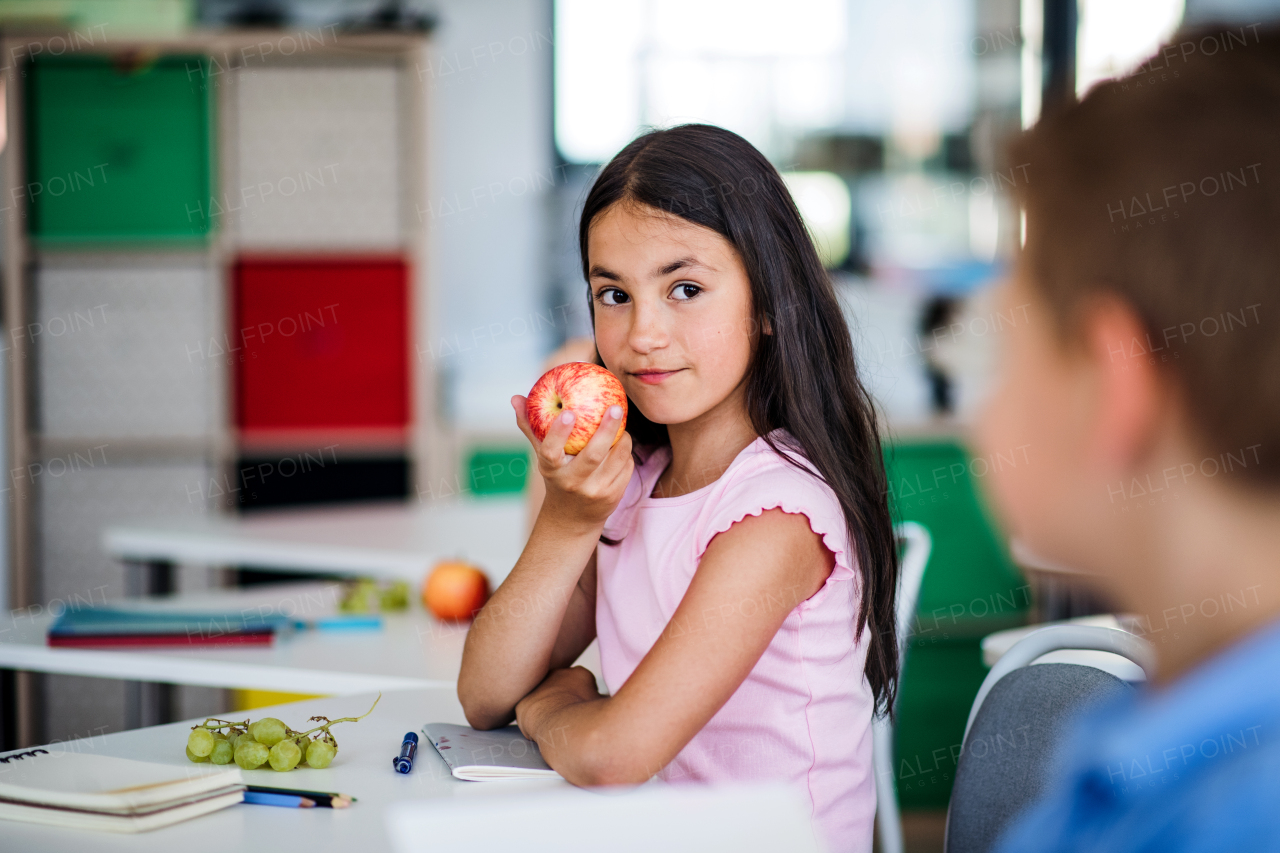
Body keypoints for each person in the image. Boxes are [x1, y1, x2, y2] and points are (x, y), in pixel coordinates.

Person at [458, 124, 898, 853]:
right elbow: (484, 691)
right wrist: (568, 518)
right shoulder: (643, 482)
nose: (642, 334)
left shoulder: (778, 516)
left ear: (767, 302)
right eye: (614, 294)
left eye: (685, 289)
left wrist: (553, 707)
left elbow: (611, 754)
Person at [974, 23, 1280, 852]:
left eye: (1007, 349)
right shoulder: (1142, 729)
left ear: (1116, 385)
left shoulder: (1229, 817)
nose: (986, 408)